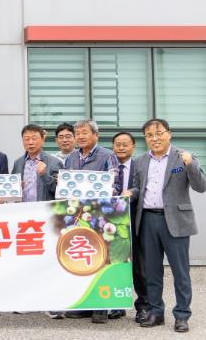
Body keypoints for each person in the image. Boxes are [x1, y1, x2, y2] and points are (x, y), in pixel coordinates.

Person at [128, 119, 206, 333]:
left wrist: (190, 164)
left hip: (176, 220)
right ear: (145, 138)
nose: (155, 138)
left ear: (168, 134)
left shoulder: (183, 157)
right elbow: (138, 188)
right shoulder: (141, 160)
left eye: (159, 133)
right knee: (152, 271)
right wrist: (130, 192)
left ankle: (182, 315)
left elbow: (201, 186)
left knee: (180, 272)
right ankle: (156, 312)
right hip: (147, 220)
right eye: (149, 135)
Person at [63, 119, 114, 323]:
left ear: (95, 135)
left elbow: (114, 183)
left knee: (101, 258)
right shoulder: (71, 157)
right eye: (78, 133)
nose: (81, 136)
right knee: (81, 258)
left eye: (85, 132)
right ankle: (85, 304)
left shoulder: (107, 156)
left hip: (100, 214)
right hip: (78, 215)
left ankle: (102, 307)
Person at [110, 131, 147, 323]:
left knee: (140, 267)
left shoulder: (141, 164)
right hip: (112, 223)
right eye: (117, 144)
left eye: (125, 144)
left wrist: (132, 193)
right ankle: (117, 305)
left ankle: (143, 306)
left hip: (136, 220)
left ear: (133, 146)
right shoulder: (108, 166)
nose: (121, 147)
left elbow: (146, 187)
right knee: (116, 263)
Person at [10, 124, 63, 202]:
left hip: (43, 208)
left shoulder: (54, 162)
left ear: (43, 140)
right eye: (27, 139)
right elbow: (11, 188)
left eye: (34, 139)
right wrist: (15, 188)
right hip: (21, 208)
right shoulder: (18, 163)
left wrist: (44, 175)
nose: (30, 142)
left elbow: (60, 191)